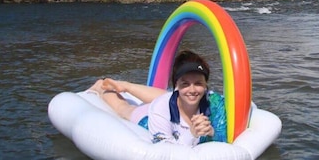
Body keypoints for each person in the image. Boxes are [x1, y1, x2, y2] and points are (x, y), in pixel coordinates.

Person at [87, 50, 226, 146]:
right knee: (125, 109)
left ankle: (127, 86)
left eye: (198, 83)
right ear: (176, 85)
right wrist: (192, 134)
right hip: (149, 119)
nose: (193, 89)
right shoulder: (161, 107)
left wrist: (211, 132)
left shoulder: (215, 102)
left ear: (206, 85)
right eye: (185, 83)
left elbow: (227, 136)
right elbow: (166, 151)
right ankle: (100, 86)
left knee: (182, 96)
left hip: (173, 102)